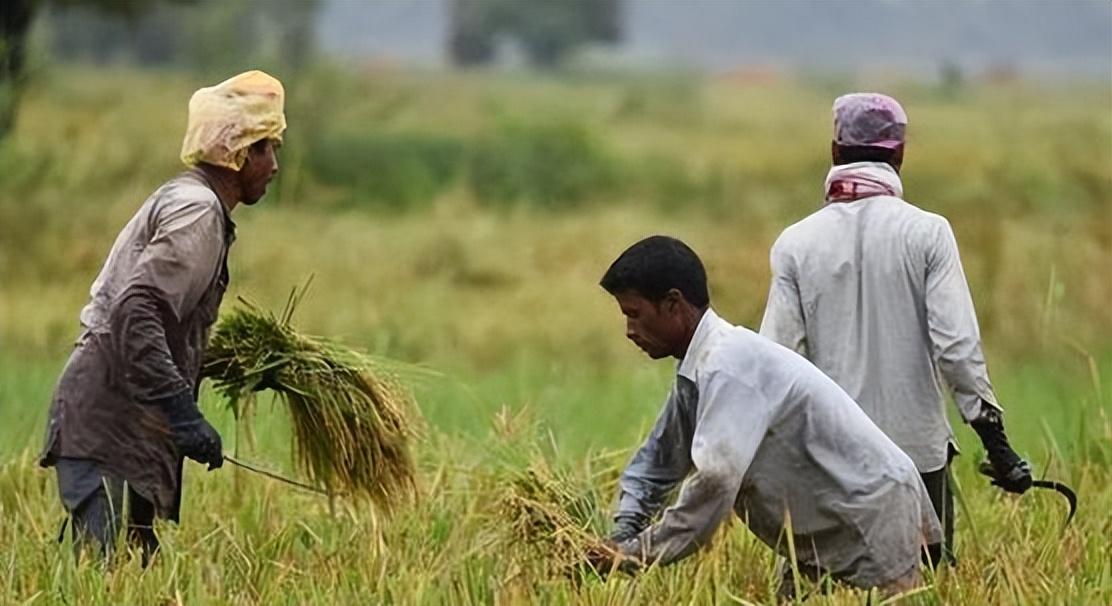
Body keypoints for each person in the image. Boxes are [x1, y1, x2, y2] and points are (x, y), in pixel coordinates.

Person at [759, 92, 1032, 565]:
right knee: (922, 586)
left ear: (835, 152)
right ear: (900, 154)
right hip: (916, 456)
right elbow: (957, 350)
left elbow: (775, 360)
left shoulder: (796, 244)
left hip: (829, 457)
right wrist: (998, 447)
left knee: (810, 586)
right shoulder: (928, 233)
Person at [593, 235, 941, 598]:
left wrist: (636, 553)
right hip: (818, 526)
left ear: (672, 304)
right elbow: (658, 463)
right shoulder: (697, 373)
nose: (630, 331)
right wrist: (622, 533)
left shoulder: (728, 366)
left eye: (634, 314)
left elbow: (715, 483)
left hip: (869, 515)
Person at [39, 70, 286, 562]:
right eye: (265, 149)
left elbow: (162, 328)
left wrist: (241, 365)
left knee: (129, 570)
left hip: (128, 427)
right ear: (235, 152)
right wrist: (185, 415)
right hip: (111, 421)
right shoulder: (198, 212)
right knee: (101, 578)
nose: (274, 165)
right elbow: (138, 311)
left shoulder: (189, 200)